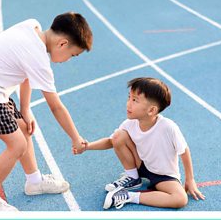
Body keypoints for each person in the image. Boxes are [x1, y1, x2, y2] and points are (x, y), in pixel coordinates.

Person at [0, 12, 92, 211]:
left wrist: (25, 110)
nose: (69, 60)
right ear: (63, 44)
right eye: (73, 55)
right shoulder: (38, 57)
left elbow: (26, 73)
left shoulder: (32, 26)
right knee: (17, 144)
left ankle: (34, 182)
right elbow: (56, 107)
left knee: (24, 127)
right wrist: (75, 138)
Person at [74, 77, 205, 210]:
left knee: (180, 199)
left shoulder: (168, 127)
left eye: (135, 100)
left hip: (164, 176)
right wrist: (87, 146)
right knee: (119, 135)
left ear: (151, 110)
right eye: (129, 98)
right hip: (141, 164)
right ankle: (133, 178)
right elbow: (111, 141)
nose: (128, 104)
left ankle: (129, 196)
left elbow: (184, 151)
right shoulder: (129, 124)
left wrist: (190, 179)